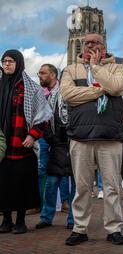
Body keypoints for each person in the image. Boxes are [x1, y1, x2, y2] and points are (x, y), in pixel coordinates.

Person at [60, 33, 123, 246]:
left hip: (110, 138)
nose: (91, 45)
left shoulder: (118, 68)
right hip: (80, 138)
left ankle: (114, 228)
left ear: (104, 45)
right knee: (82, 187)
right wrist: (98, 91)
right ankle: (80, 228)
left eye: (95, 42)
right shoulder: (71, 69)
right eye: (87, 42)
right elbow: (67, 94)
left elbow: (116, 87)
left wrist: (96, 67)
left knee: (111, 187)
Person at [0, 50, 52, 234]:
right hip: (2, 145)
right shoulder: (0, 85)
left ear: (19, 63)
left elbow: (45, 117)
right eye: (4, 61)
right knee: (3, 184)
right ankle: (6, 220)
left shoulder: (31, 87)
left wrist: (32, 135)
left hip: (23, 144)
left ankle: (20, 220)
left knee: (22, 183)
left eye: (11, 61)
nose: (7, 64)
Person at [35, 64, 75, 230]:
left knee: (76, 184)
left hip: (70, 142)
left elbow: (70, 114)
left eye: (43, 73)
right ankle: (46, 217)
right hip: (55, 144)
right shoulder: (44, 94)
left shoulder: (65, 91)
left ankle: (73, 219)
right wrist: (49, 137)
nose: (39, 75)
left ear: (53, 75)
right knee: (51, 182)